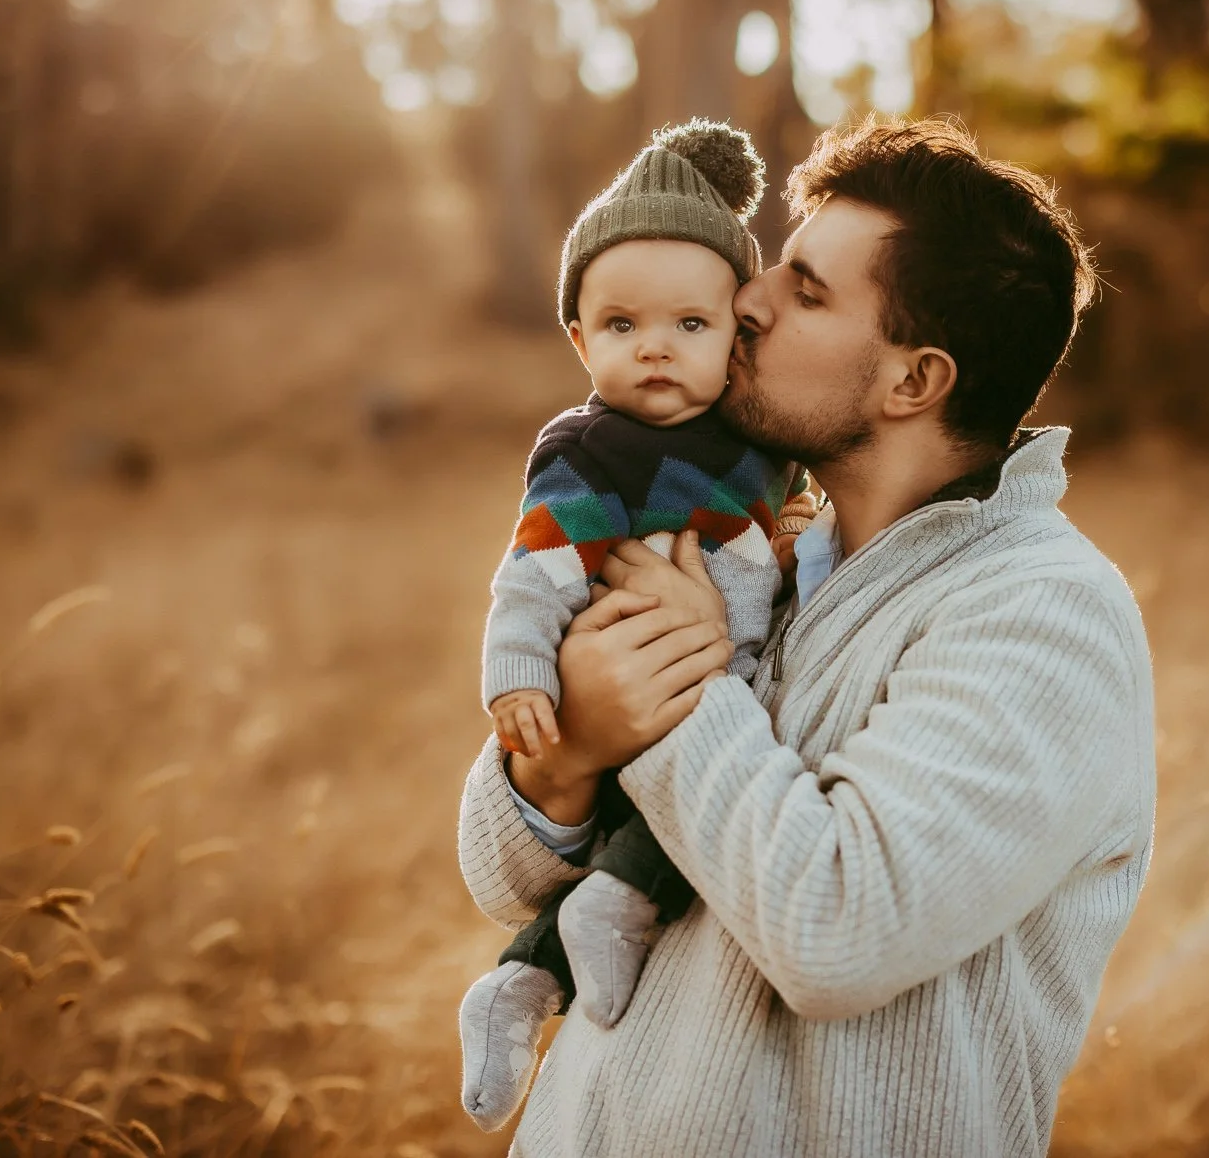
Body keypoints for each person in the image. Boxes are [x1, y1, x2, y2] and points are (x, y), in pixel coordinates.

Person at [458, 116, 1156, 1157]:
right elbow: (501, 872)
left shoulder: (1044, 613)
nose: (747, 298)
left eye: (806, 289)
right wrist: (567, 754)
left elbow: (839, 929)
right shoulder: (754, 539)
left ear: (913, 381)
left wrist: (683, 692)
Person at [458, 120, 808, 1130]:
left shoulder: (756, 441)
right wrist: (523, 672)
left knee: (642, 844)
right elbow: (536, 564)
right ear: (578, 339)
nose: (653, 345)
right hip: (623, 694)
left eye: (688, 325)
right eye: (619, 325)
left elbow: (779, 537)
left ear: (734, 335)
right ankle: (586, 926)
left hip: (705, 708)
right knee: (628, 836)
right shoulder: (591, 448)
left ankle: (519, 985)